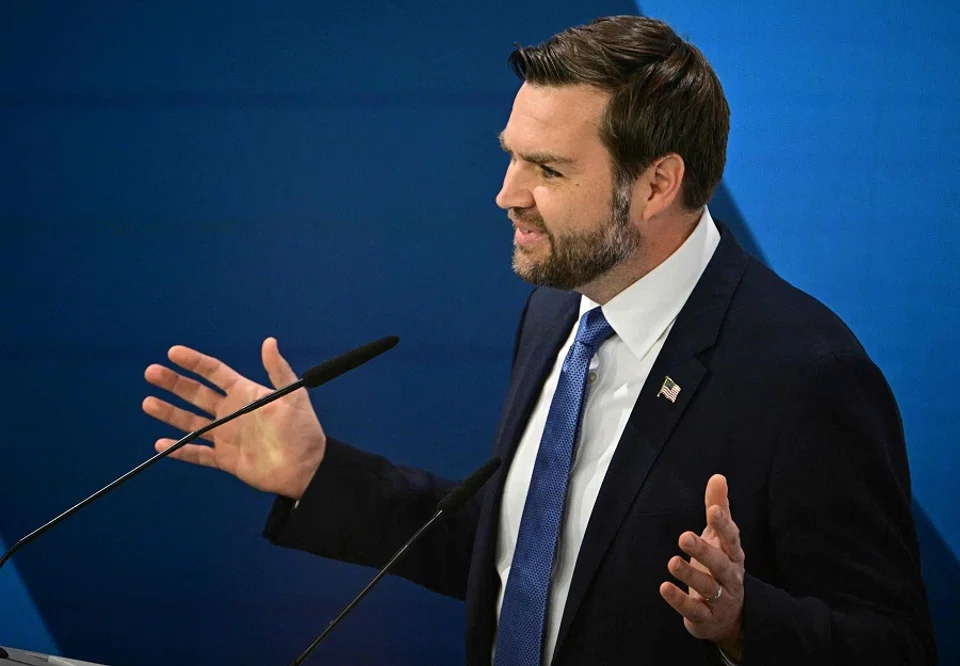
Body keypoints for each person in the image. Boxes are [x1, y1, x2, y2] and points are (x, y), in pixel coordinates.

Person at [142, 15, 935, 666]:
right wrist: (319, 474)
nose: (506, 195)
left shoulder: (807, 375)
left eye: (547, 170)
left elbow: (892, 645)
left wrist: (740, 621)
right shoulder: (562, 310)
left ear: (657, 183)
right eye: (511, 157)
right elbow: (524, 558)